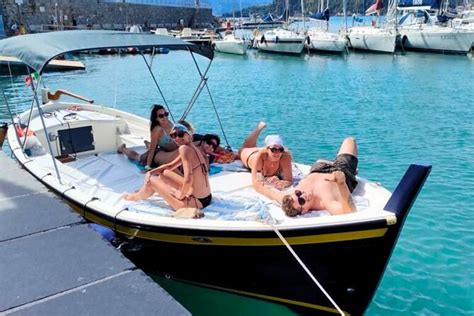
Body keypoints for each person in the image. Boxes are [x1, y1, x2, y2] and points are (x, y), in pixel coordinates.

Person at [257, 137, 359, 217]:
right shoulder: (325, 201)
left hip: (318, 168)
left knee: (320, 161)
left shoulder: (288, 197)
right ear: (304, 211)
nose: (302, 195)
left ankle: (330, 162)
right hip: (340, 170)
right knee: (350, 141)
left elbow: (264, 190)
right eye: (302, 201)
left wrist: (256, 173)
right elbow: (349, 211)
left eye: (298, 193)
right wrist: (341, 182)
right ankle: (345, 168)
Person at [123, 123, 212, 210]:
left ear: (189, 135)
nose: (177, 138)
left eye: (180, 134)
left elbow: (188, 180)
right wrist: (150, 172)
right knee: (164, 173)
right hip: (207, 197)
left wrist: (181, 195)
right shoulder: (192, 148)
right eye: (173, 135)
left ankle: (134, 197)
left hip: (195, 202)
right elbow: (170, 166)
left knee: (151, 181)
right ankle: (146, 190)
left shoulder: (184, 149)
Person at [118, 104, 177, 170]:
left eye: (166, 114)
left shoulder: (169, 123)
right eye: (161, 116)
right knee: (138, 157)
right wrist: (148, 166)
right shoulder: (157, 130)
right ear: (156, 118)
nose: (165, 117)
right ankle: (123, 148)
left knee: (154, 145)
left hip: (164, 150)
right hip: (158, 151)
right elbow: (152, 151)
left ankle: (147, 143)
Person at [239, 121, 293, 190]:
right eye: (273, 150)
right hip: (249, 154)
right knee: (244, 147)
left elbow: (289, 180)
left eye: (280, 149)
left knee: (253, 145)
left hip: (264, 152)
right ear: (267, 149)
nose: (277, 153)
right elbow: (255, 181)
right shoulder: (258, 159)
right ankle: (259, 128)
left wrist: (284, 183)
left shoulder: (285, 156)